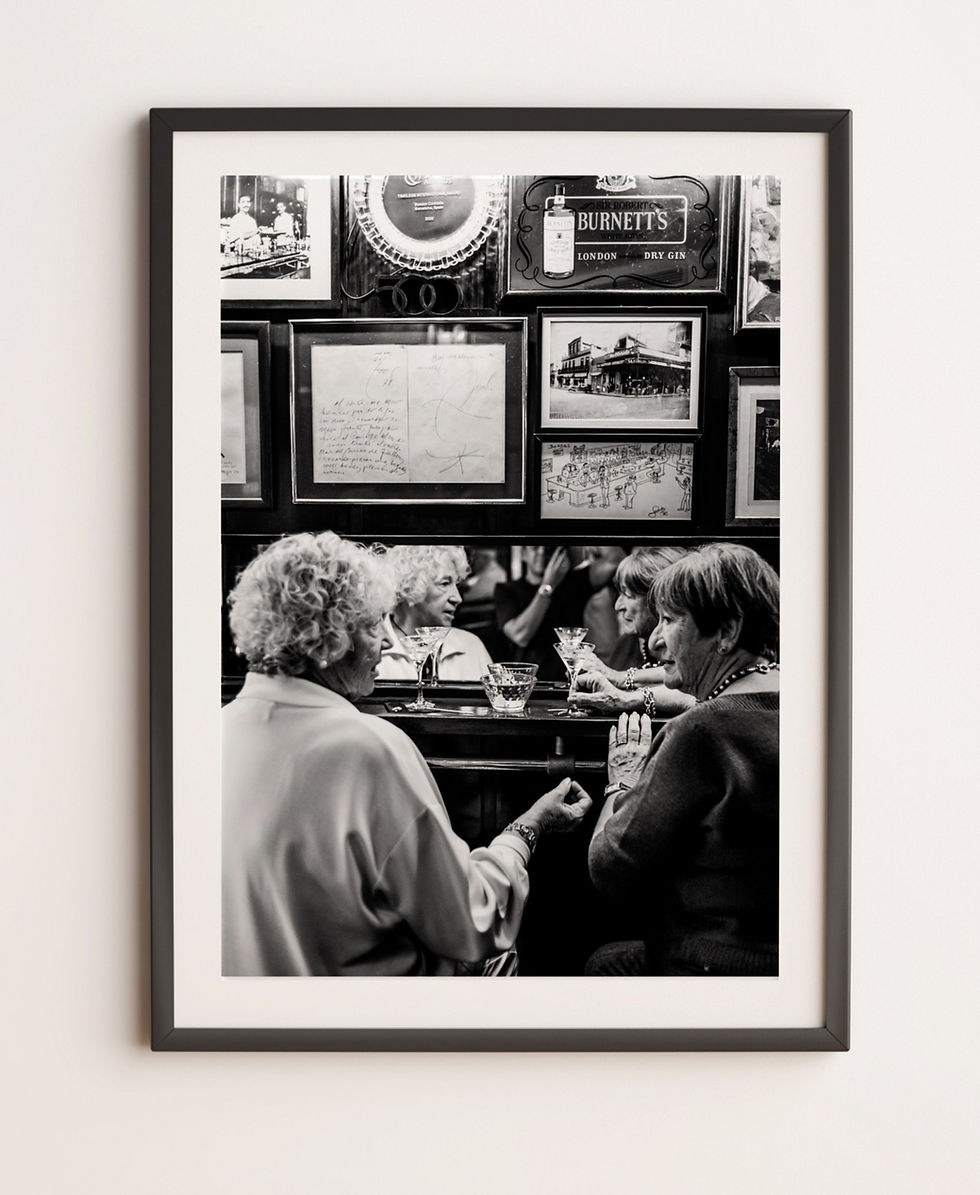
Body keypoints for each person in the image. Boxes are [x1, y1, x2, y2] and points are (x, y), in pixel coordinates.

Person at [222, 532, 592, 976]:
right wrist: (526, 829)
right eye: (371, 624)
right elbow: (472, 922)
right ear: (330, 639)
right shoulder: (369, 749)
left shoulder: (210, 735)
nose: (385, 640)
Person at [587, 543, 780, 976]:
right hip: (796, 963)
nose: (656, 640)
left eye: (671, 620)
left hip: (713, 965)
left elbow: (610, 868)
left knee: (603, 963)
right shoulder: (809, 703)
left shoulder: (700, 731)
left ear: (727, 631)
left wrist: (622, 779)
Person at [570, 546, 695, 719]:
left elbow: (693, 693)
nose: (618, 606)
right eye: (619, 593)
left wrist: (619, 679)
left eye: (628, 595)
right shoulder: (625, 645)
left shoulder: (693, 654)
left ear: (659, 600)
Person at [494, 545, 620, 681]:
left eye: (548, 548)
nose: (542, 552)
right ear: (523, 553)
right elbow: (520, 635)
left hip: (571, 681)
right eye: (535, 547)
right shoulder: (506, 590)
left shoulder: (575, 581)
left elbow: (616, 559)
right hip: (529, 683)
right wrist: (549, 585)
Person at [375, 544, 493, 681]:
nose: (457, 598)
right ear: (409, 586)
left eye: (457, 585)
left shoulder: (471, 647)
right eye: (444, 583)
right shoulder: (373, 651)